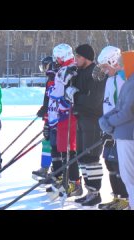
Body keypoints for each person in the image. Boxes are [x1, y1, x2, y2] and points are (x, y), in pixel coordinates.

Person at [68, 44, 106, 206]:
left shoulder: (96, 72)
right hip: (80, 117)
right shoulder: (79, 72)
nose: (76, 59)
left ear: (86, 58)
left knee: (91, 157)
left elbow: (94, 100)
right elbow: (71, 92)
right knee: (82, 156)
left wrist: (75, 95)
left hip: (93, 119)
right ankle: (89, 190)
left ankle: (95, 193)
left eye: (78, 57)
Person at [46, 43, 81, 199]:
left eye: (58, 57)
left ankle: (75, 182)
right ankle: (66, 180)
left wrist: (65, 96)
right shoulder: (63, 69)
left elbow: (65, 91)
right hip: (60, 114)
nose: (56, 60)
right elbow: (56, 91)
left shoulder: (72, 68)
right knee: (62, 148)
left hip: (69, 114)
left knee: (69, 149)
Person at [96, 46, 130, 210]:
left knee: (118, 163)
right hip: (108, 127)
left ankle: (125, 197)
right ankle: (116, 196)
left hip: (119, 129)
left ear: (114, 62)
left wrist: (112, 125)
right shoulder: (110, 80)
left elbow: (122, 107)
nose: (103, 70)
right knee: (109, 162)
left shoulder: (123, 79)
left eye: (105, 66)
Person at [32, 56, 56, 180]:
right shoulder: (49, 80)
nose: (44, 69)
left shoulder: (55, 79)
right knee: (46, 142)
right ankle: (45, 168)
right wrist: (44, 109)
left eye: (44, 66)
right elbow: (48, 99)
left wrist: (46, 110)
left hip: (56, 118)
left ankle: (56, 170)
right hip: (49, 116)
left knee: (54, 144)